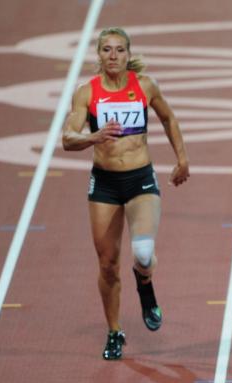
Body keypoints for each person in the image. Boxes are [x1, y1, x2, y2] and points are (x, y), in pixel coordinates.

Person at [61, 27, 189, 360]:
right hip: (104, 183)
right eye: (107, 50)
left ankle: (145, 286)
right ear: (99, 55)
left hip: (140, 179)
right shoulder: (86, 93)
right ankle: (115, 331)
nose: (113, 56)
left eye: (119, 50)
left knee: (143, 253)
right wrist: (95, 136)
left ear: (128, 54)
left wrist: (182, 158)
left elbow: (169, 118)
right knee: (107, 264)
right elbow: (68, 138)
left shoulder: (144, 86)